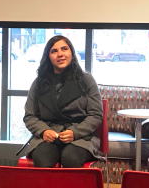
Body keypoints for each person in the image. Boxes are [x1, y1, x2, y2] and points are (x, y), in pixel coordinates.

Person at [24, 35, 103, 168]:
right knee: (42, 158)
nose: (60, 54)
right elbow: (30, 116)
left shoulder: (86, 80)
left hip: (80, 137)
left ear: (71, 52)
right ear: (48, 57)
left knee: (71, 158)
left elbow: (96, 115)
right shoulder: (39, 83)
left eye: (64, 49)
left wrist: (75, 132)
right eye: (54, 51)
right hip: (48, 136)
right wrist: (43, 131)